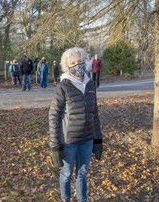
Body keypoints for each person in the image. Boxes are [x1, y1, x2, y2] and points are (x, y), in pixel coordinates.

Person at [49, 47, 103, 202]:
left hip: (87, 140)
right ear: (67, 66)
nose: (77, 65)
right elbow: (53, 116)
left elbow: (95, 113)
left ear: (85, 61)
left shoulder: (91, 84)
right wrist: (55, 145)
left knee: (82, 174)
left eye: (80, 61)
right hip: (68, 142)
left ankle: (82, 200)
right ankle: (65, 199)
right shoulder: (63, 86)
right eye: (72, 63)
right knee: (66, 174)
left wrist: (98, 138)